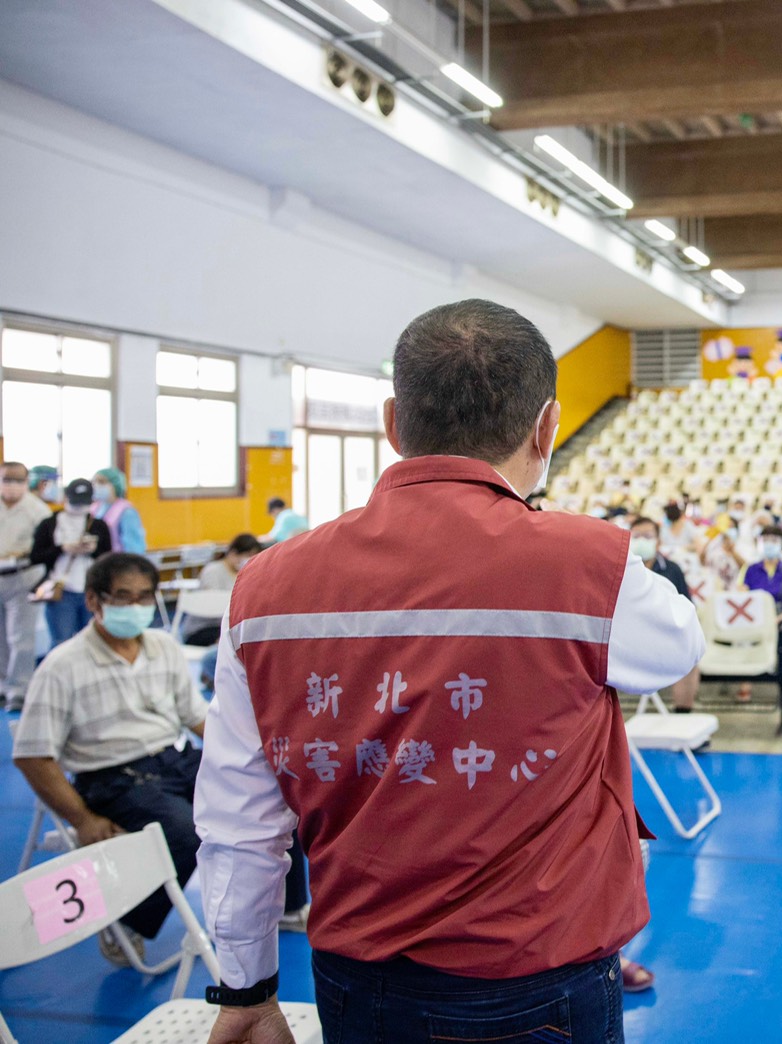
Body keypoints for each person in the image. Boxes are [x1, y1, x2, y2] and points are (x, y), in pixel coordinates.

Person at [194, 300, 705, 1043]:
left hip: (355, 981)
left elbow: (238, 818)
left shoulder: (264, 587)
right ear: (548, 427)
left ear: (394, 424)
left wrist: (246, 990)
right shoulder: (593, 565)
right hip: (541, 979)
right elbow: (679, 644)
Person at [12, 554, 209, 966]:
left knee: (270, 792)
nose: (134, 607)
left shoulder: (163, 647)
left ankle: (286, 905)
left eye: (143, 597)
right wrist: (82, 819)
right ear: (93, 601)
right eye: (122, 597)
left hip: (177, 759)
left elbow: (195, 717)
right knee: (183, 832)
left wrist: (244, 762)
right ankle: (128, 924)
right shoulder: (63, 665)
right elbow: (33, 756)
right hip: (114, 777)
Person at [629, 515, 701, 713]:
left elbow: (686, 608)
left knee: (690, 658)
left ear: (658, 541)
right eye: (637, 536)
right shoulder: (620, 568)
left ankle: (682, 716)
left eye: (648, 536)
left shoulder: (672, 569)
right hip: (627, 636)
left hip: (662, 634)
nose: (642, 540)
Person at [31, 478, 113, 650]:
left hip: (91, 589)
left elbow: (108, 558)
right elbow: (36, 556)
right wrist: (63, 549)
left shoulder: (98, 525)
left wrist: (93, 550)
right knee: (61, 643)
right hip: (62, 590)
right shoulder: (50, 524)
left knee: (94, 643)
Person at [0, 462, 53, 710]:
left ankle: (18, 690)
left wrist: (23, 553)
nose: (9, 485)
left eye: (16, 480)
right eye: (5, 479)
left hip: (23, 577)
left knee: (20, 636)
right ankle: (2, 685)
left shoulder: (37, 510)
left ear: (25, 482)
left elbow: (45, 548)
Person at [738, 524, 782, 703]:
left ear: (781, 545)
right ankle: (746, 679)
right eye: (765, 540)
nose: (769, 544)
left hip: (781, 616)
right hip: (754, 617)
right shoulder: (749, 569)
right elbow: (742, 596)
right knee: (743, 635)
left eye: (774, 540)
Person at [181, 534, 262, 646]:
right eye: (248, 555)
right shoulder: (213, 571)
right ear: (233, 553)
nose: (250, 560)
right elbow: (214, 605)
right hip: (203, 628)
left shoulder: (245, 574)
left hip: (227, 627)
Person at [91, 468, 147, 554]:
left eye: (101, 482)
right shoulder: (94, 508)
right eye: (94, 482)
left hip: (118, 562)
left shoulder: (127, 512)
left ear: (115, 484)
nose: (96, 485)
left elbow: (134, 548)